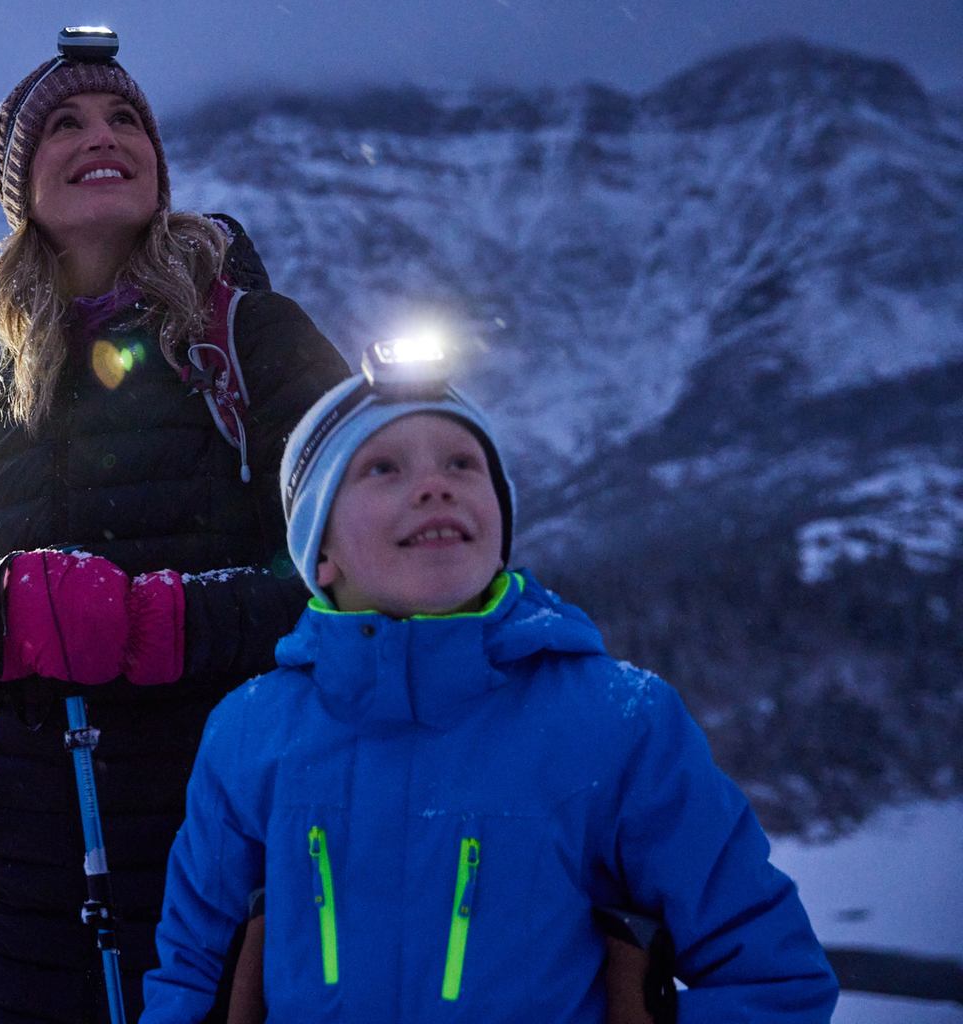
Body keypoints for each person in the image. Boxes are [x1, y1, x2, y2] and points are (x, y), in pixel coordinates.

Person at [141, 339, 839, 1021]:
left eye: (463, 464)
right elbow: (193, 973)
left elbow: (772, 977)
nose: (435, 484)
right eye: (383, 468)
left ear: (501, 523)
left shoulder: (618, 722)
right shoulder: (250, 732)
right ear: (319, 552)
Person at [0, 28, 352, 1022]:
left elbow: (357, 578)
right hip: (39, 871)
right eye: (62, 123)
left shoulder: (252, 340)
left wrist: (155, 622)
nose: (100, 134)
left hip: (236, 845)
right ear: (21, 188)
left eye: (126, 118)